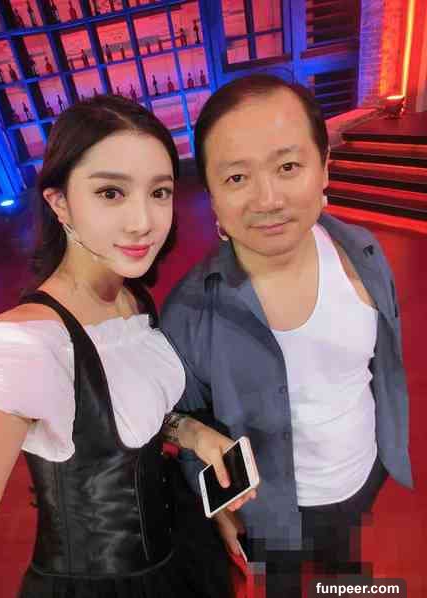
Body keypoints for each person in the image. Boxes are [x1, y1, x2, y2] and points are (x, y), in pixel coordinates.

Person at [0, 95, 253, 597]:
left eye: (160, 192)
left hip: (181, 546)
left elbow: (127, 414)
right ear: (60, 202)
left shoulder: (132, 298)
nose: (143, 221)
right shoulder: (26, 347)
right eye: (111, 192)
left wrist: (191, 432)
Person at [160, 75, 413, 597]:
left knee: (344, 565)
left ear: (325, 168)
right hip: (267, 509)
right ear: (212, 196)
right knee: (281, 584)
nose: (268, 199)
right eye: (237, 177)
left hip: (364, 472)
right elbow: (178, 419)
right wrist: (215, 508)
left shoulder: (364, 253)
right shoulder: (190, 310)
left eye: (288, 167)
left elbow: (380, 368)